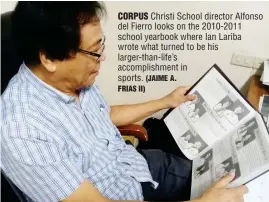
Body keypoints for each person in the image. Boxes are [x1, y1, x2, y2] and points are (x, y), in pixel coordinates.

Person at [1, 2, 248, 202]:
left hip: (134, 166)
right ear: (49, 59)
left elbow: (102, 115)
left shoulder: (70, 80)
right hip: (116, 194)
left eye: (101, 45)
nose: (102, 57)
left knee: (236, 177)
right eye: (94, 51)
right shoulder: (23, 129)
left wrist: (165, 101)